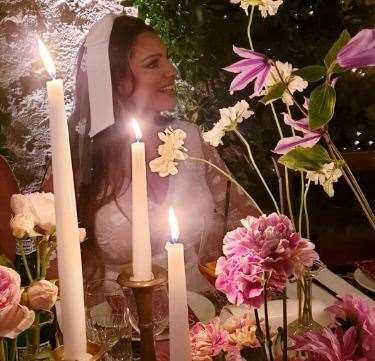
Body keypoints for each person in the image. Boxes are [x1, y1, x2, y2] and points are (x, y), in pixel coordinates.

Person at [64, 14, 260, 292]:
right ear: (116, 80)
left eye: (167, 58)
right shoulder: (78, 158)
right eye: (153, 64)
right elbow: (55, 260)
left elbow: (243, 222)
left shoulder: (192, 139)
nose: (172, 71)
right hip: (119, 324)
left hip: (202, 316)